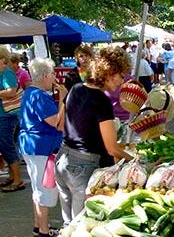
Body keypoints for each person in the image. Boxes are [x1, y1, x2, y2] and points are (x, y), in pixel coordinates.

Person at [56, 47, 133, 224]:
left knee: (68, 225)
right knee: (81, 225)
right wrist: (133, 160)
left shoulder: (75, 89)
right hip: (82, 166)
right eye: (121, 75)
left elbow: (61, 125)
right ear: (109, 72)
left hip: (63, 159)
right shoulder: (101, 100)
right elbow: (111, 148)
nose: (122, 81)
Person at [18, 58, 67, 237]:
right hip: (42, 147)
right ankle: (44, 230)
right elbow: (55, 122)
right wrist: (62, 100)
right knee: (45, 187)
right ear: (46, 75)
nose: (55, 77)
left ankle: (39, 224)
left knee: (37, 185)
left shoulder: (30, 92)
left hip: (33, 145)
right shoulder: (39, 96)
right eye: (53, 73)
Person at [0, 46, 25, 192]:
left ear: (2, 59)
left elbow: (11, 92)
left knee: (7, 147)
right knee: (4, 147)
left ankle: (17, 179)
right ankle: (12, 176)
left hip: (6, 115)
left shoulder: (7, 73)